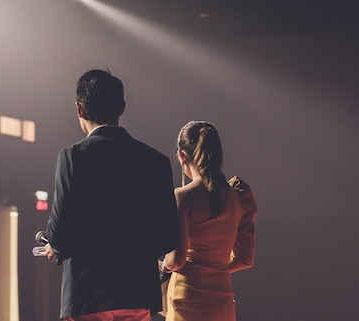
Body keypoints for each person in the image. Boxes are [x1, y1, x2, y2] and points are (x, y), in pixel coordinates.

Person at [44, 69, 180, 321]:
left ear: (79, 110)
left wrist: (55, 245)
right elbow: (168, 238)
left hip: (87, 296)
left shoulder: (72, 157)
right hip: (137, 294)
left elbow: (60, 231)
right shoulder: (155, 162)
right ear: (122, 107)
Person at [160, 121, 257, 321]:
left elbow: (176, 260)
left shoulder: (183, 197)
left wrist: (162, 266)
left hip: (187, 299)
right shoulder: (238, 197)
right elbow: (244, 259)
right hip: (221, 300)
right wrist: (214, 267)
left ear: (182, 156)